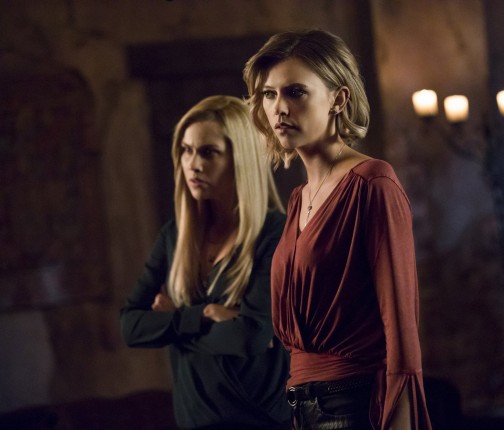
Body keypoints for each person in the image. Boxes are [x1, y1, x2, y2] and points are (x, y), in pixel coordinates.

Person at [243, 29, 432, 430]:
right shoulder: (298, 199)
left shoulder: (372, 183)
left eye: (296, 92)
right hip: (301, 406)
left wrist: (401, 417)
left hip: (353, 403)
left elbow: (401, 321)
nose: (279, 108)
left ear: (338, 99)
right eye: (269, 94)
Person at [120, 95, 291, 430]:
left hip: (261, 422)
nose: (193, 164)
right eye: (186, 150)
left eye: (208, 152)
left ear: (240, 158)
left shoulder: (275, 234)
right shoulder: (174, 236)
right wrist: (204, 315)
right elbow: (131, 327)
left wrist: (172, 322)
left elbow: (250, 337)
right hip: (196, 421)